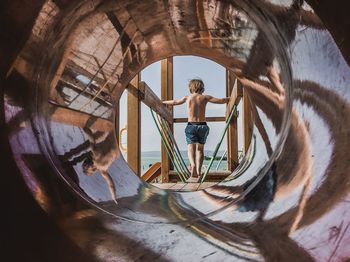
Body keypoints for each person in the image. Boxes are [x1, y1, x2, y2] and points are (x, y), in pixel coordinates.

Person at [163, 79, 229, 182]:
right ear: (202, 87)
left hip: (191, 126)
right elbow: (221, 100)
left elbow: (175, 102)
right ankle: (198, 171)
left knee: (190, 148)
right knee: (200, 149)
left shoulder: (187, 98)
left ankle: (192, 165)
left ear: (191, 88)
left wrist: (162, 102)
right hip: (203, 126)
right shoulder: (205, 97)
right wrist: (229, 98)